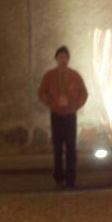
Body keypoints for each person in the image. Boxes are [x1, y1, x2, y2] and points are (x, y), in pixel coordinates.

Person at [37, 46, 88, 190]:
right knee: (58, 147)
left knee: (71, 147)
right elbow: (41, 93)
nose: (63, 60)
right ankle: (58, 177)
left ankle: (71, 178)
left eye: (65, 57)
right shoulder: (49, 76)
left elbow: (84, 93)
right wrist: (52, 103)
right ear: (56, 59)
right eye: (60, 57)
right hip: (56, 115)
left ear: (68, 59)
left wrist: (75, 105)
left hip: (70, 115)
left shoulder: (74, 75)